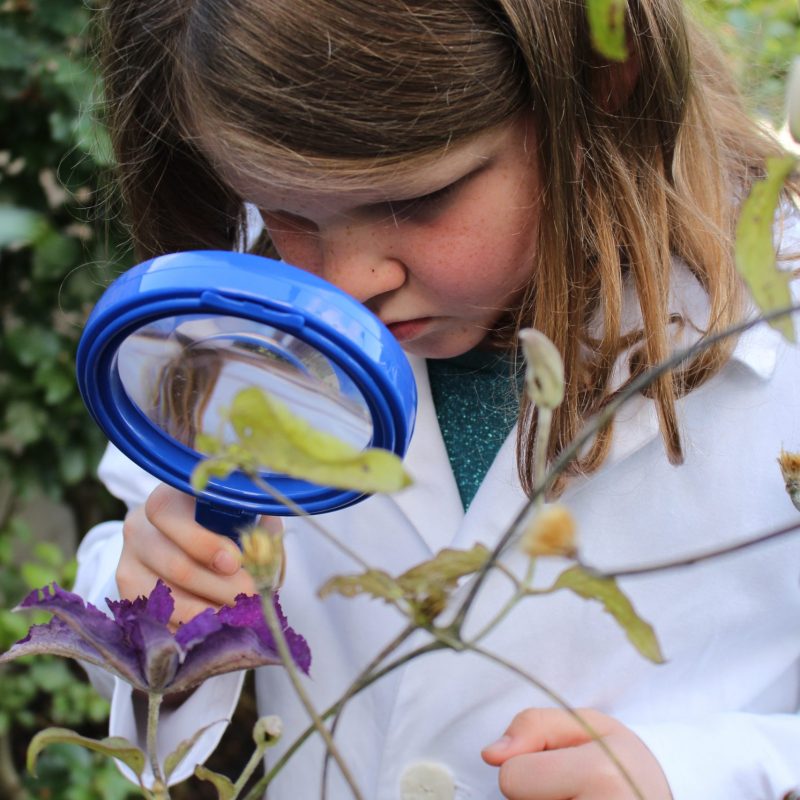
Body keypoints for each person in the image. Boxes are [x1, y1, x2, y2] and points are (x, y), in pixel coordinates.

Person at [73, 1, 800, 798]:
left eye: (415, 203)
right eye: (286, 213)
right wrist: (156, 603)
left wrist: (704, 774)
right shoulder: (232, 319)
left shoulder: (781, 328)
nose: (344, 285)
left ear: (594, 94)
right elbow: (137, 543)